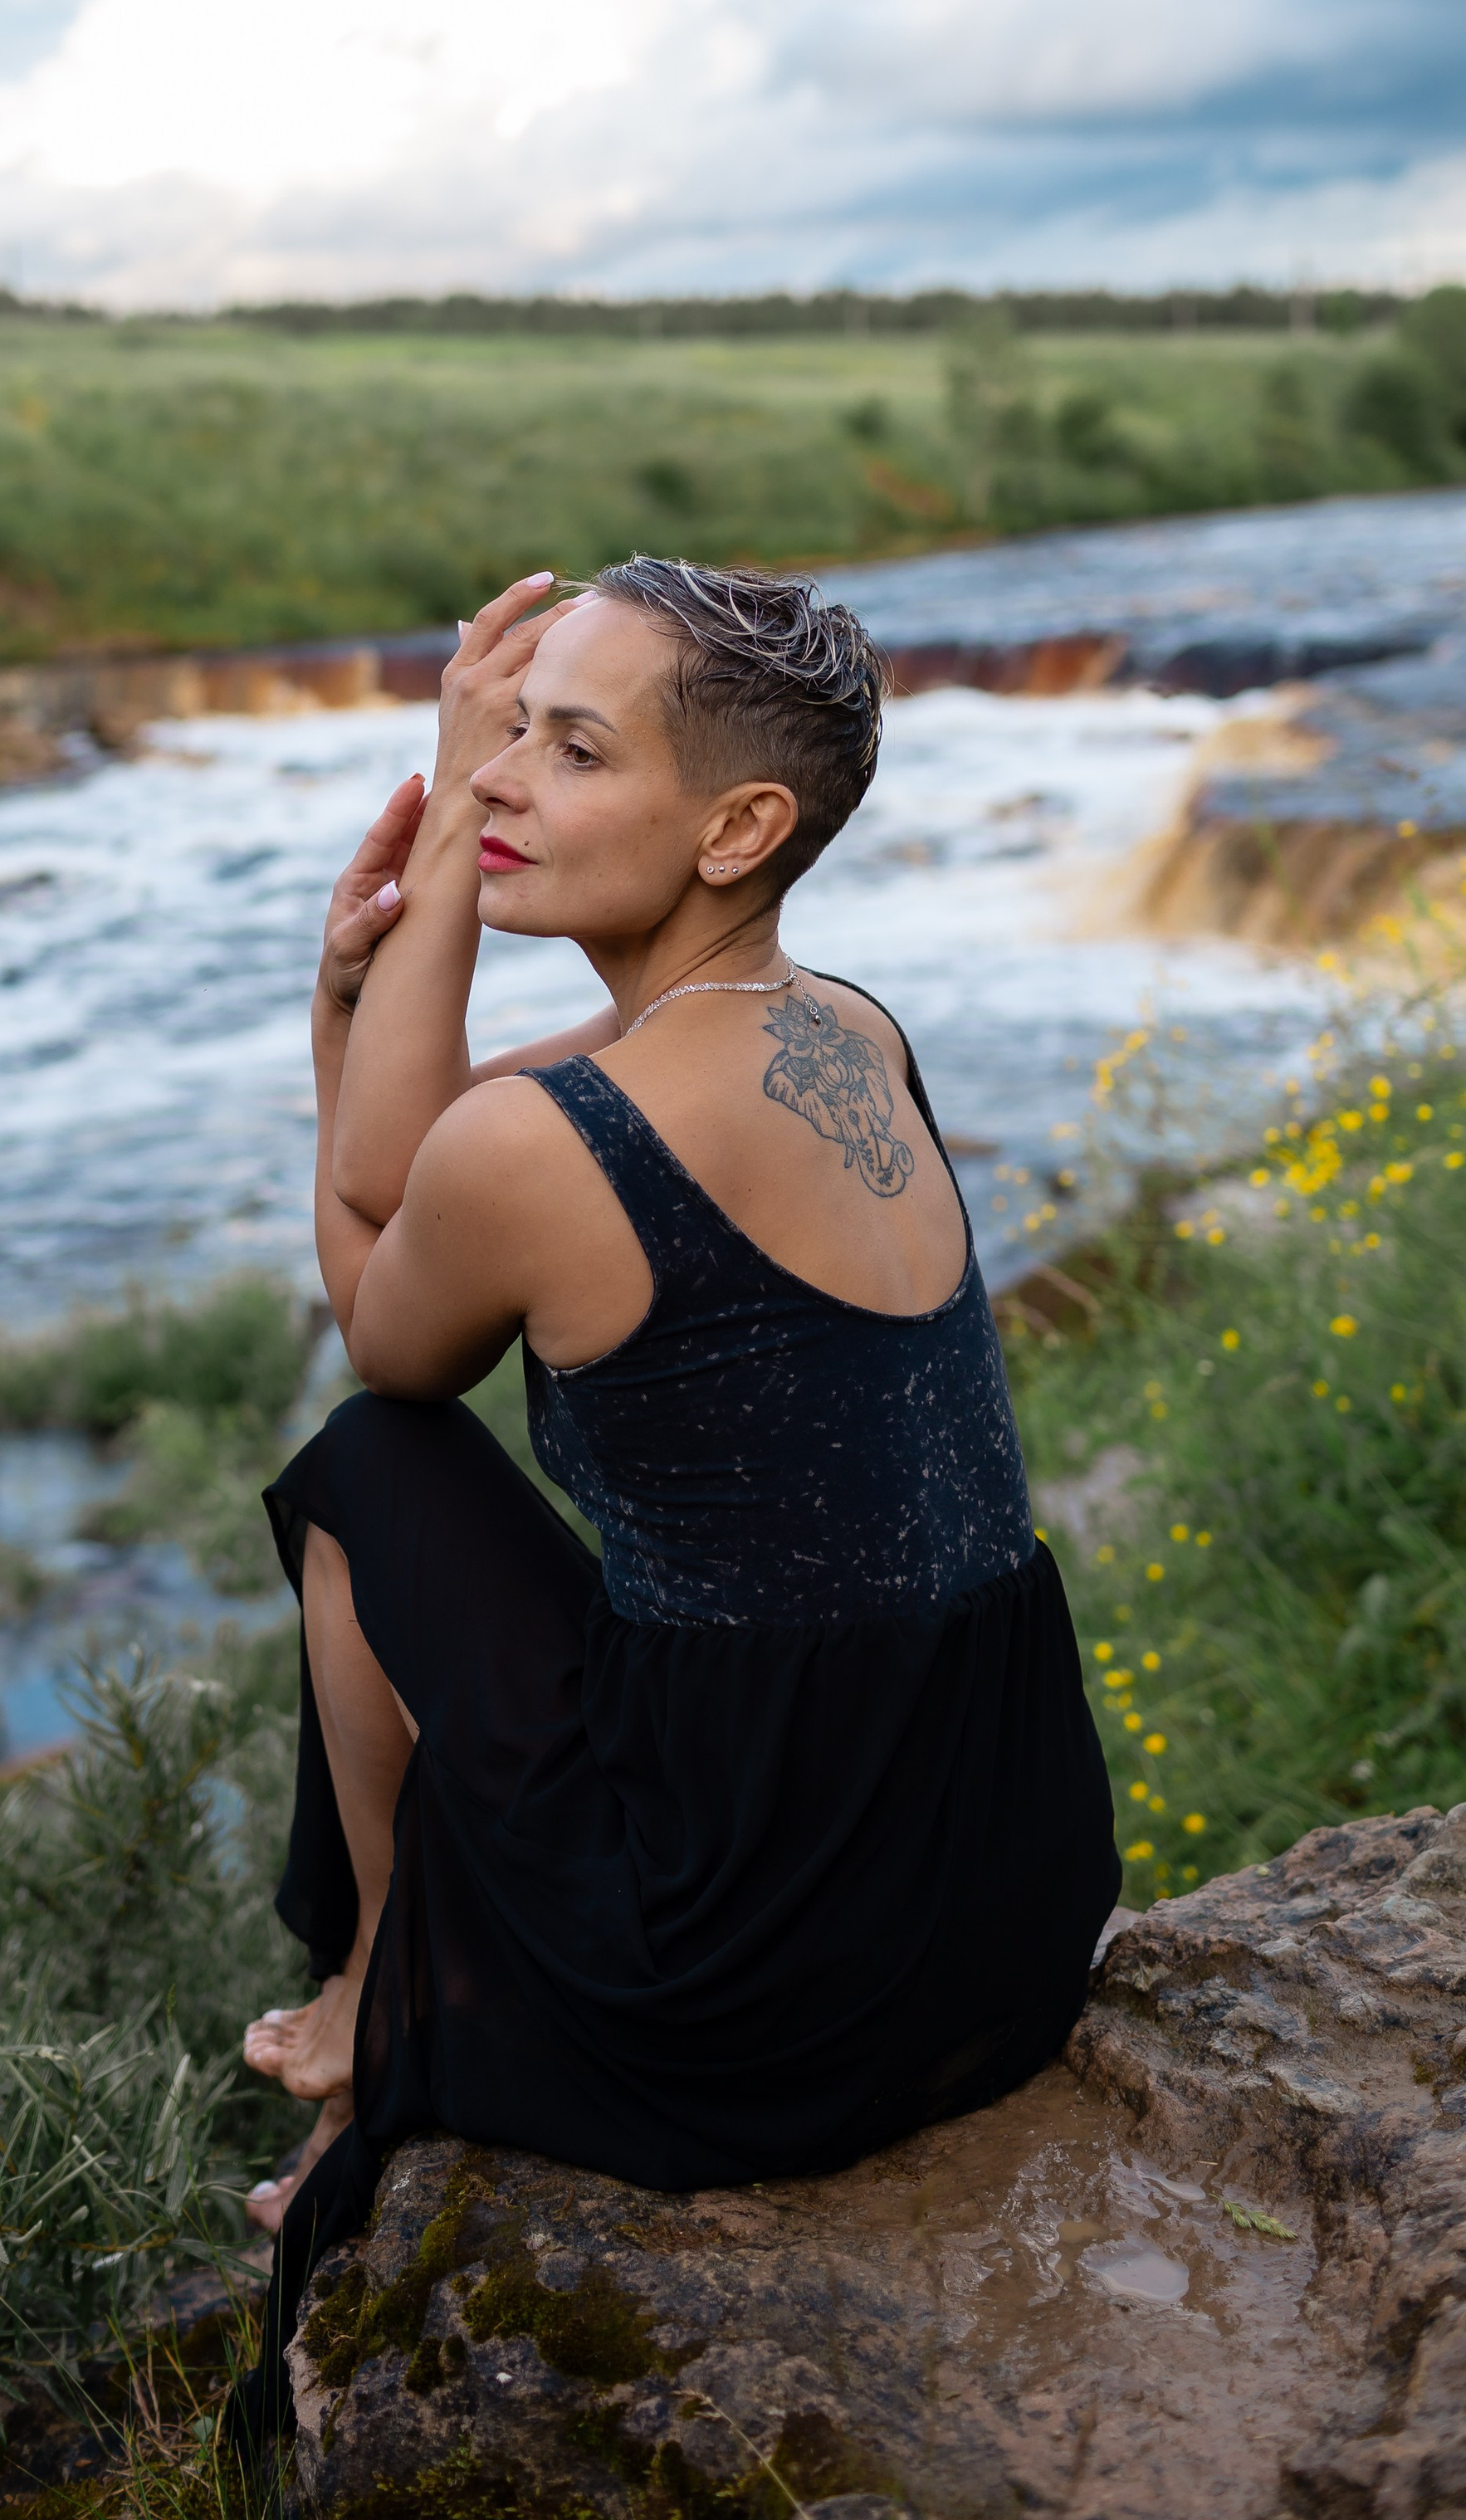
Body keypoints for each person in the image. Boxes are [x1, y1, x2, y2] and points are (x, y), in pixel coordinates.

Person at [228, 557, 1118, 2441]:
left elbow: (385, 1288)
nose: (498, 787)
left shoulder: (551, 1146)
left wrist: (345, 1019)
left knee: (366, 1464)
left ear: (736, 824)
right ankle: (382, 1995)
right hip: (999, 1908)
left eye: (568, 747)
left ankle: (389, 2012)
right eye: (505, 739)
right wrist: (388, 966)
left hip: (756, 1981)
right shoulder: (844, 1027)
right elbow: (437, 1145)